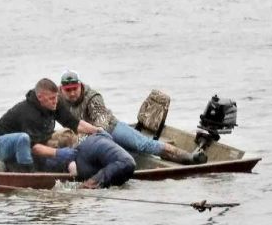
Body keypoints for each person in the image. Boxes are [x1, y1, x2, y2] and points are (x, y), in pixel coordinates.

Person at [57, 70, 206, 165]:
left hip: (111, 128)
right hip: (88, 138)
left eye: (74, 89)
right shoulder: (57, 100)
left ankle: (188, 157)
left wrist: (90, 137)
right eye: (67, 90)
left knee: (143, 145)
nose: (71, 93)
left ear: (80, 85)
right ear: (61, 89)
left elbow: (101, 122)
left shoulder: (92, 97)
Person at [0, 78, 99, 172]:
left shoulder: (55, 103)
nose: (55, 101)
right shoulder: (28, 113)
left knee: (67, 136)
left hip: (33, 141)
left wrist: (97, 131)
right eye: (52, 98)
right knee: (23, 139)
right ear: (40, 97)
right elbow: (34, 147)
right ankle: (27, 173)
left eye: (56, 97)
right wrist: (58, 153)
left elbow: (74, 123)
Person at [44, 128, 136, 189]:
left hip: (124, 163)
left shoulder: (87, 149)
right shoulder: (89, 142)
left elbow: (127, 162)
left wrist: (91, 182)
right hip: (123, 163)